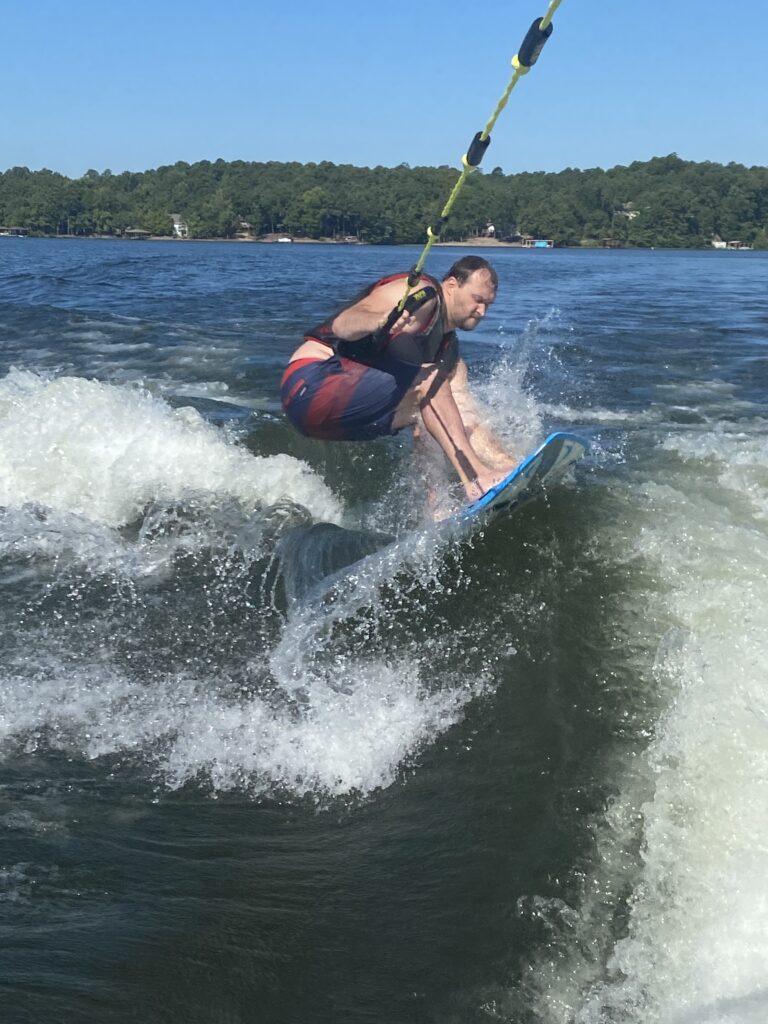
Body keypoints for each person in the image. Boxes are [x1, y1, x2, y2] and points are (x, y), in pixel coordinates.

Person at [281, 255, 514, 502]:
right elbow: (343, 324)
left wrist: (510, 465)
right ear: (452, 285)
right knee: (429, 378)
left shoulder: (449, 354)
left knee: (437, 416)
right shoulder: (422, 293)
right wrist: (379, 321)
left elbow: (466, 420)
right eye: (478, 300)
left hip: (338, 416)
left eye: (488, 304)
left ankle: (437, 506)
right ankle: (477, 479)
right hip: (311, 385)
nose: (482, 312)